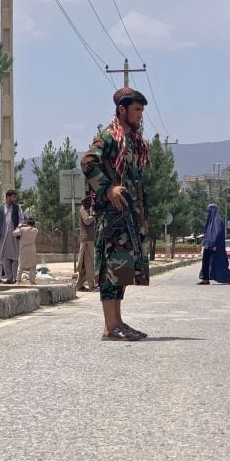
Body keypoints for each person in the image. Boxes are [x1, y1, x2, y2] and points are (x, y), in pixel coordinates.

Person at [81, 88, 151, 341]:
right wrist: (108, 188)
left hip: (128, 216)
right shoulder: (110, 137)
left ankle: (117, 322)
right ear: (122, 109)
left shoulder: (132, 140)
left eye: (142, 110)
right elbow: (88, 161)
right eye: (136, 109)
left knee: (122, 270)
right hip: (112, 216)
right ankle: (110, 326)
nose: (140, 115)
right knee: (111, 269)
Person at [197, 204, 230, 285]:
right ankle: (205, 279)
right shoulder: (210, 221)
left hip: (215, 246)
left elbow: (218, 233)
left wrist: (215, 244)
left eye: (209, 210)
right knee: (205, 262)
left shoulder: (217, 220)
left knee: (218, 263)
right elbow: (207, 233)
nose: (207, 213)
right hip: (208, 245)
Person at [0, 189, 22, 283]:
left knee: (15, 257)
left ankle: (14, 278)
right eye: (13, 196)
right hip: (3, 235)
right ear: (8, 197)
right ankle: (9, 278)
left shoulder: (17, 208)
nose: (14, 198)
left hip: (14, 236)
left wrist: (19, 227)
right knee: (5, 257)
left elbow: (21, 219)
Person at [75, 195, 98, 291]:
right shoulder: (83, 209)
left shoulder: (89, 208)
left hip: (91, 239)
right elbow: (87, 221)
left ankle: (80, 285)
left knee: (85, 264)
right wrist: (93, 215)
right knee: (88, 264)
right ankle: (91, 285)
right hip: (86, 240)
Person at [13, 217, 40, 284]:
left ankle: (18, 281)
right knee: (33, 266)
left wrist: (19, 227)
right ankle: (32, 281)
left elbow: (14, 233)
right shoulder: (36, 230)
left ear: (27, 223)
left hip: (23, 250)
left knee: (21, 265)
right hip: (32, 250)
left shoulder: (22, 229)